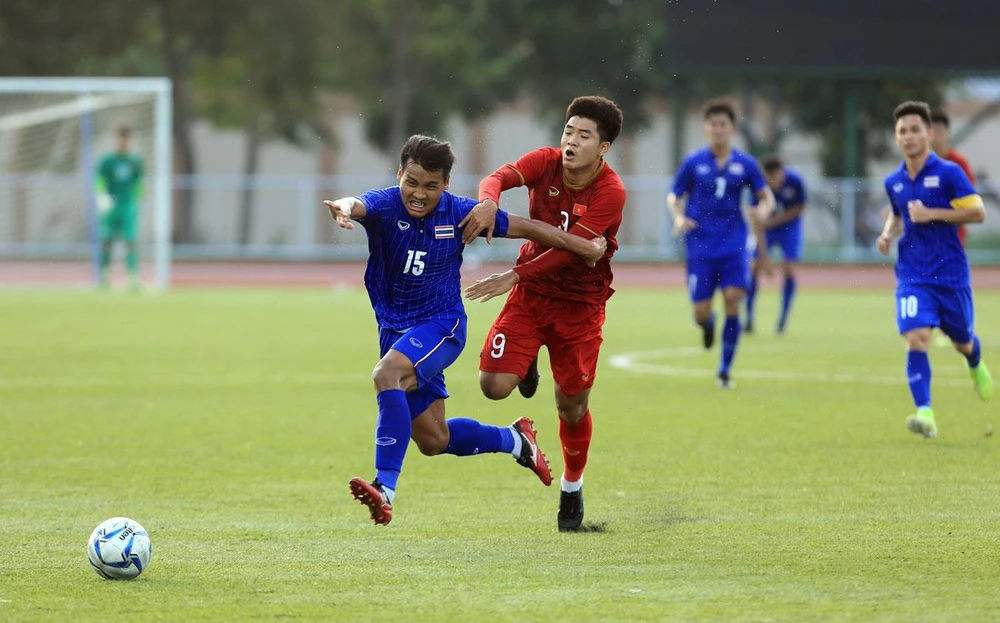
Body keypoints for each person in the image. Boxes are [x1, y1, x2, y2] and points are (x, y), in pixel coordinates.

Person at [324, 134, 607, 525]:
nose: (419, 194)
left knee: (386, 375)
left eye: (431, 186)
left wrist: (582, 245)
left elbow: (527, 227)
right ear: (399, 174)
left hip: (442, 326)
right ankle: (515, 440)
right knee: (433, 439)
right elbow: (357, 204)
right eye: (412, 182)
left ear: (446, 184)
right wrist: (342, 207)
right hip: (396, 333)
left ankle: (384, 489)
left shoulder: (461, 213)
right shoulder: (386, 205)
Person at [458, 95, 626, 532]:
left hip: (580, 307)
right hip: (532, 296)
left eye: (584, 135)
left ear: (603, 147)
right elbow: (497, 177)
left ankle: (572, 486)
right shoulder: (545, 162)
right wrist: (489, 201)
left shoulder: (611, 191)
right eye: (568, 131)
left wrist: (514, 274)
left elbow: (570, 254)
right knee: (493, 386)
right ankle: (526, 359)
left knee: (571, 406)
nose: (571, 141)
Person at [876, 100, 992, 439]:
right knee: (917, 337)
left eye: (915, 129)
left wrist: (933, 214)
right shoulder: (894, 181)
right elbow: (898, 213)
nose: (908, 136)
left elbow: (978, 212)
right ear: (896, 137)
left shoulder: (949, 173)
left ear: (928, 133)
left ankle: (974, 361)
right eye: (902, 131)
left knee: (962, 341)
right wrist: (887, 234)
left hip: (951, 274)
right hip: (913, 274)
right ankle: (925, 413)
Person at [666, 98, 774, 389]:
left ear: (732, 129)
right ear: (706, 129)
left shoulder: (746, 163)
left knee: (733, 299)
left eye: (723, 124)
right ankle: (708, 324)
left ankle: (725, 370)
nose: (717, 129)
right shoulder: (693, 162)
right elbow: (674, 195)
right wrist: (678, 216)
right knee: (700, 312)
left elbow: (766, 196)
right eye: (713, 124)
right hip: (700, 247)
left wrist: (763, 211)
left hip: (734, 245)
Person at [744, 155, 807, 335]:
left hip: (789, 228)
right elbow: (757, 224)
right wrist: (765, 259)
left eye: (776, 176)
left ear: (782, 172)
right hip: (767, 231)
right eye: (769, 177)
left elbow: (800, 208)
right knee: (755, 266)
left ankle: (782, 321)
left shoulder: (795, 181)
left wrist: (774, 221)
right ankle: (748, 319)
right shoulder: (758, 186)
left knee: (789, 269)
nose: (773, 181)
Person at [95, 126, 144, 290]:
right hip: (111, 207)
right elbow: (99, 181)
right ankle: (104, 275)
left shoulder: (135, 161)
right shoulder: (107, 161)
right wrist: (101, 196)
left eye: (126, 139)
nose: (123, 142)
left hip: (127, 206)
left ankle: (132, 277)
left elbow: (139, 184)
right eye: (121, 138)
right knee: (106, 239)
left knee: (130, 240)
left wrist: (137, 200)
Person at [930, 110, 977, 248]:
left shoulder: (959, 164)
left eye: (939, 131)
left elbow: (969, 201)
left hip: (952, 236)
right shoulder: (919, 163)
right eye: (932, 131)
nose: (935, 137)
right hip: (924, 237)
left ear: (947, 132)